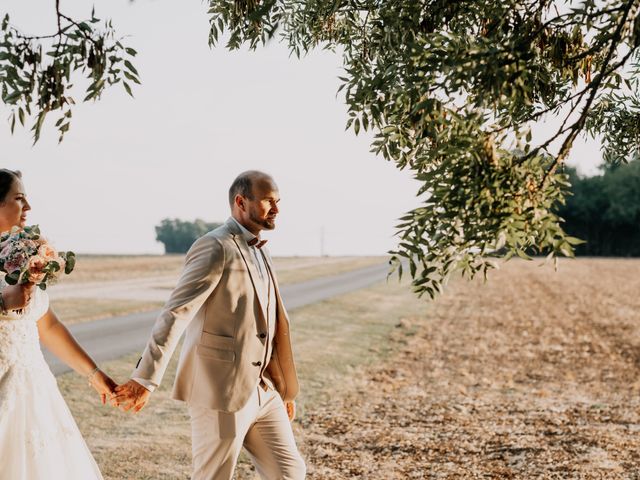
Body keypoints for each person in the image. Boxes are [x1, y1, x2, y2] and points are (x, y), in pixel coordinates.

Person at [114, 170, 306, 480]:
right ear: (241, 202)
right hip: (221, 390)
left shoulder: (263, 251)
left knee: (290, 473)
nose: (277, 209)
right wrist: (146, 378)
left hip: (265, 390)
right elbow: (176, 313)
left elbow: (269, 322)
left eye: (278, 201)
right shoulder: (214, 246)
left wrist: (282, 388)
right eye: (269, 201)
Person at [0, 168, 116, 479]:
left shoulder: (23, 255)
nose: (28, 208)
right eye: (19, 199)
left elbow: (47, 326)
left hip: (33, 387)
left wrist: (93, 374)